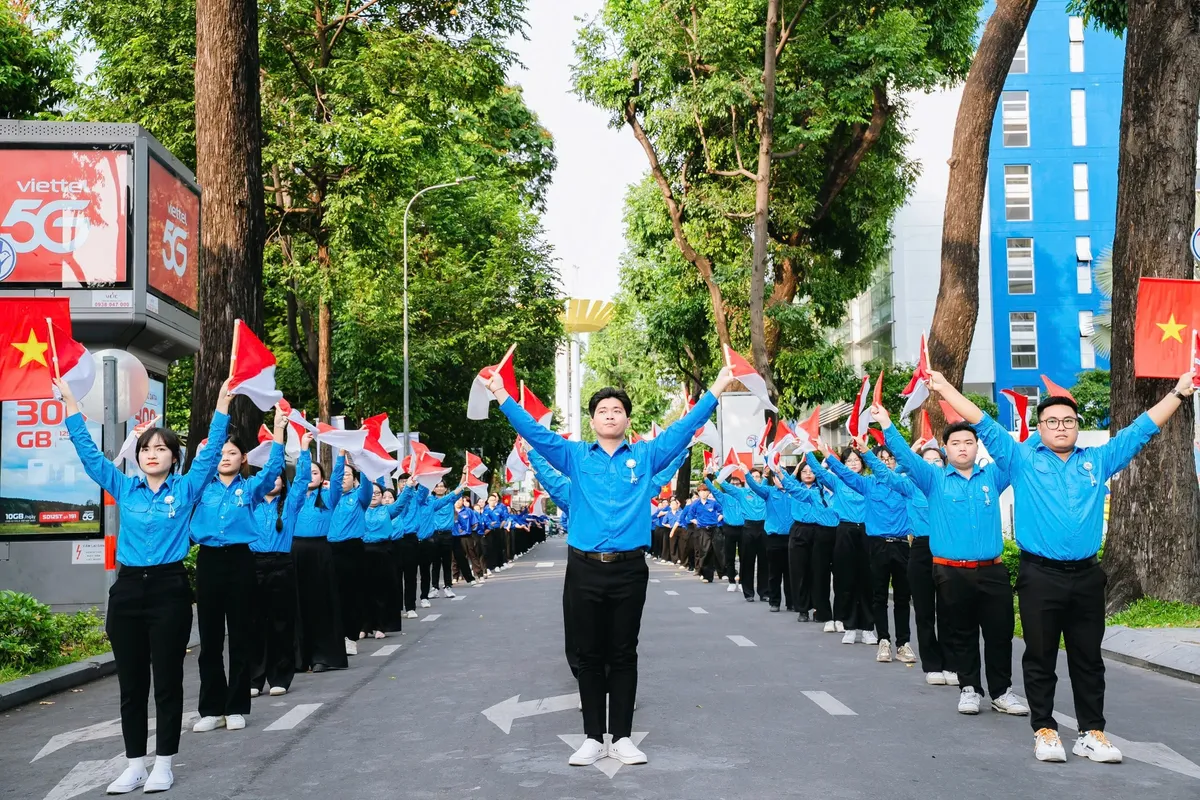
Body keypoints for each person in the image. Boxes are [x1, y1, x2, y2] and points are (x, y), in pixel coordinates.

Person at [939, 369, 1197, 763]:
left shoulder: (1097, 459)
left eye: (1068, 421)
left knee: (1088, 658)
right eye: (1052, 421)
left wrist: (1179, 393)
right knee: (1040, 655)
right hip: (1039, 575)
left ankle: (1092, 732)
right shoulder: (1021, 457)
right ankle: (1044, 729)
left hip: (1087, 576)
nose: (1060, 427)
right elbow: (980, 421)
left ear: (1078, 426)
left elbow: (1140, 429)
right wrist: (943, 388)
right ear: (1038, 427)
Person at [485, 365, 733, 767]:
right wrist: (501, 395)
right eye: (603, 410)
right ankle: (590, 737)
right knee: (588, 653)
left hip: (629, 569)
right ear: (593, 420)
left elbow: (684, 428)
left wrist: (718, 387)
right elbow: (536, 435)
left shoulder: (647, 455)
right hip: (584, 568)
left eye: (617, 409)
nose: (610, 415)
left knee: (623, 652)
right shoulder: (576, 456)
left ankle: (621, 737)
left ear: (627, 420)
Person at [57, 374, 232, 795]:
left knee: (166, 680)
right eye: (146, 449)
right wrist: (68, 401)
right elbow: (89, 456)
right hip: (129, 591)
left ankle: (164, 764)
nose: (153, 454)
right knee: (131, 683)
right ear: (137, 457)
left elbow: (208, 460)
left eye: (161, 449)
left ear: (174, 456)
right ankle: (134, 764)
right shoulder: (124, 486)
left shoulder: (187, 489)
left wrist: (223, 403)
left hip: (169, 590)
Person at [872, 400, 1027, 718]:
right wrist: (887, 424)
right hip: (951, 573)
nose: (962, 447)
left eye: (969, 442)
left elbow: (1013, 455)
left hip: (992, 571)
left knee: (999, 633)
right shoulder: (934, 480)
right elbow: (904, 457)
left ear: (976, 446)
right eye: (955, 442)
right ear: (945, 449)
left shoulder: (992, 478)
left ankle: (1001, 691)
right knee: (962, 632)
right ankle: (969, 689)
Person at [189, 409, 287, 734]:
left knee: (241, 635)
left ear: (243, 457)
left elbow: (274, 468)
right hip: (209, 562)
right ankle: (211, 709)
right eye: (220, 452)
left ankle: (236, 707)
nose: (225, 457)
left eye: (232, 452)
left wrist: (278, 432)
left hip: (241, 562)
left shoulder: (252, 487)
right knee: (211, 639)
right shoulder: (201, 487)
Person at [821, 442, 915, 665]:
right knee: (879, 595)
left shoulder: (905, 484)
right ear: (873, 463)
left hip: (902, 545)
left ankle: (903, 643)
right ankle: (883, 640)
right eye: (880, 459)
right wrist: (829, 457)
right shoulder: (868, 484)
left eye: (889, 458)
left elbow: (916, 468)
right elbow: (845, 474)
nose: (886, 462)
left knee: (902, 597)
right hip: (877, 545)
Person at [872, 440, 957, 686]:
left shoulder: (952, 486)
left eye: (936, 460)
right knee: (924, 610)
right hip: (921, 549)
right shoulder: (910, 486)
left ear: (944, 463)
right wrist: (869, 453)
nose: (932, 465)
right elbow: (885, 476)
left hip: (949, 548)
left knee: (949, 610)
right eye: (926, 461)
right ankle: (932, 665)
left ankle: (952, 664)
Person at [250, 434, 314, 699]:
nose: (272, 481)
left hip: (281, 565)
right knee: (254, 624)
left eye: (277, 476)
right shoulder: (249, 502)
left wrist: (305, 450)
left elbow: (302, 480)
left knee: (281, 624)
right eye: (268, 476)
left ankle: (280, 676)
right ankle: (254, 678)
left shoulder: (289, 504)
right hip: (252, 566)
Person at [806, 449, 874, 645]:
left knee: (867, 581)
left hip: (868, 532)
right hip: (844, 531)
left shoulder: (869, 482)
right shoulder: (838, 482)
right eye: (849, 460)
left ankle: (869, 628)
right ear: (843, 463)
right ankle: (850, 626)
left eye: (856, 460)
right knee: (846, 581)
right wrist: (810, 450)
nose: (853, 463)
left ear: (863, 463)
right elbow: (819, 472)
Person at [291, 455, 348, 673]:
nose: (310, 476)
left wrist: (341, 455)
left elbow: (337, 480)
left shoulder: (328, 496)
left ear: (322, 477)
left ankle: (322, 656)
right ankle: (299, 657)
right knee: (297, 605)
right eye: (307, 473)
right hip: (295, 552)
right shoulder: (294, 497)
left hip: (320, 552)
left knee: (321, 604)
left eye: (315, 473)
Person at [779, 461, 839, 622]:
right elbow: (782, 477)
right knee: (799, 571)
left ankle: (818, 607)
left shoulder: (822, 489)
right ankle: (802, 609)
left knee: (818, 572)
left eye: (811, 471)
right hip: (799, 530)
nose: (808, 474)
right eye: (804, 471)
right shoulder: (795, 486)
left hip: (819, 530)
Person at [328, 454, 374, 653]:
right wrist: (340, 460)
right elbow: (335, 480)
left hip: (352, 549)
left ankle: (350, 636)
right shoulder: (330, 498)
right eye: (342, 475)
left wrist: (362, 463)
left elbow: (367, 487)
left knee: (351, 595)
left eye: (348, 474)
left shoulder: (359, 498)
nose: (344, 478)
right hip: (330, 549)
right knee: (332, 595)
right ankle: (334, 635)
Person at [744, 464, 798, 612]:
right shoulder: (768, 492)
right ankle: (774, 601)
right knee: (774, 572)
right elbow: (755, 487)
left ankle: (791, 602)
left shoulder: (793, 492)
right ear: (773, 479)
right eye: (778, 477)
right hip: (773, 538)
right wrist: (746, 474)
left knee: (790, 573)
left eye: (783, 477)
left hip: (791, 537)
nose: (781, 480)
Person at [362, 480, 411, 637]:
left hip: (383, 551)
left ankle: (381, 626)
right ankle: (364, 626)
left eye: (377, 493)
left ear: (382, 496)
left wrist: (409, 486)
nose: (374, 496)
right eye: (371, 493)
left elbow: (401, 503)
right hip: (362, 551)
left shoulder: (387, 511)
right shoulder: (359, 510)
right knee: (363, 590)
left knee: (382, 590)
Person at [711, 468, 767, 601]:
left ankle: (764, 592)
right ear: (747, 480)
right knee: (747, 561)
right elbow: (725, 485)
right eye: (752, 476)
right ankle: (748, 592)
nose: (755, 478)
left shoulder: (765, 491)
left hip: (763, 527)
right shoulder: (742, 492)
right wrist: (716, 472)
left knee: (764, 562)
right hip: (748, 527)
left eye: (757, 476)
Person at [416, 479, 464, 606]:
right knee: (435, 563)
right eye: (437, 486)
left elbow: (458, 491)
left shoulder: (449, 500)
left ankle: (448, 586)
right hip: (434, 535)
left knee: (447, 561)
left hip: (447, 534)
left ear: (445, 488)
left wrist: (464, 475)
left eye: (442, 486)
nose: (440, 488)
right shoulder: (430, 501)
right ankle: (435, 588)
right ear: (433, 488)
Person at [705, 473, 746, 594]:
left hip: (744, 528)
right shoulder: (724, 497)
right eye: (732, 484)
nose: (734, 486)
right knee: (730, 556)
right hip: (729, 528)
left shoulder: (744, 496)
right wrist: (708, 478)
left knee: (744, 557)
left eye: (737, 484)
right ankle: (732, 581)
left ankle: (743, 581)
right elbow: (713, 489)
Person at [686, 482, 722, 582]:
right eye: (701, 491)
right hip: (702, 529)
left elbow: (721, 511)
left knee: (715, 550)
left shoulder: (713, 503)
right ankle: (704, 573)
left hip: (714, 528)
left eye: (705, 491)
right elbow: (690, 516)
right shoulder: (695, 504)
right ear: (698, 493)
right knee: (705, 551)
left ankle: (714, 574)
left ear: (708, 492)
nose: (703, 493)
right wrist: (696, 522)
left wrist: (717, 519)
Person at [450, 496, 477, 586]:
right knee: (451, 559)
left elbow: (466, 524)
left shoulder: (464, 511)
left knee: (462, 557)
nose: (458, 502)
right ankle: (452, 579)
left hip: (459, 537)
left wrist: (462, 529)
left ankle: (470, 577)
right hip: (447, 537)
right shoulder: (448, 511)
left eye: (460, 500)